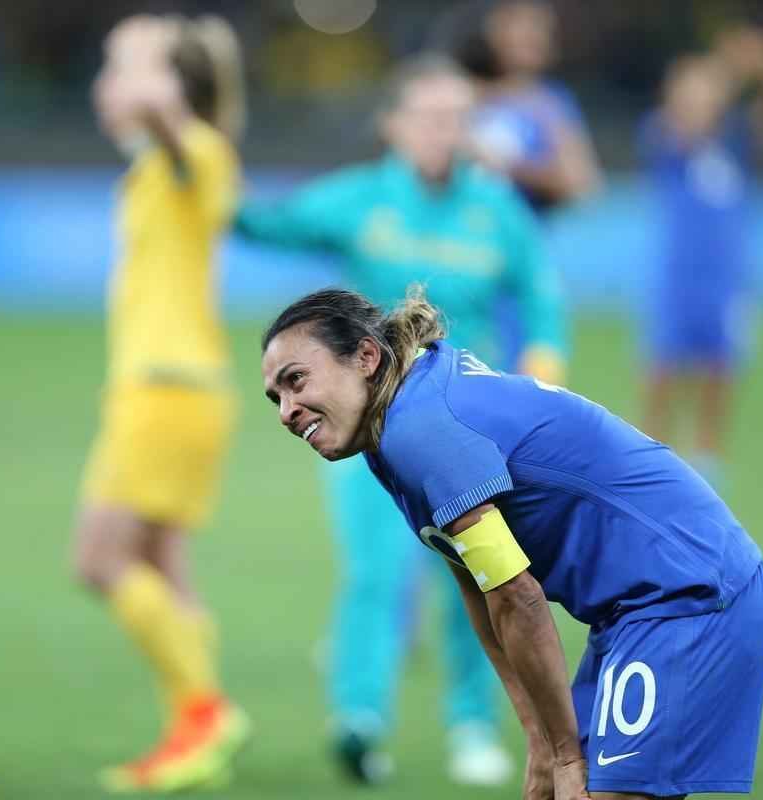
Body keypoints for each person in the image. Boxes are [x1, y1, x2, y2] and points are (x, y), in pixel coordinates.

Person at [260, 287, 763, 799]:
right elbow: (478, 586)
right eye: (276, 397)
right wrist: (540, 737)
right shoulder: (394, 422)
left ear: (366, 357)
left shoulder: (417, 430)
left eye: (296, 380)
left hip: (690, 595)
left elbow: (518, 597)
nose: (286, 410)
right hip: (640, 608)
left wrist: (566, 753)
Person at [235, 54, 566, 786]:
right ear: (393, 124)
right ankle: (360, 718)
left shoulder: (496, 208)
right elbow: (265, 221)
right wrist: (198, 165)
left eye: (457, 117)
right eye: (428, 115)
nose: (443, 131)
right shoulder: (362, 198)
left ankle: (474, 725)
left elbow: (543, 299)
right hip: (372, 436)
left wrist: (544, 365)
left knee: (483, 578)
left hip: (474, 431)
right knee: (376, 572)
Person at [78, 14, 250, 794]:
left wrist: (150, 81)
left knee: (99, 560)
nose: (110, 84)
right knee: (161, 567)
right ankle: (196, 732)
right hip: (167, 391)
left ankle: (205, 712)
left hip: (169, 392)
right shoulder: (152, 166)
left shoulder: (200, 153)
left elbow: (174, 134)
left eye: (126, 69)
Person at [639, 27, 763, 488]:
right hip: (678, 278)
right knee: (664, 371)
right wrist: (730, 66)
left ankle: (709, 461)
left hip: (726, 281)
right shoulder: (663, 134)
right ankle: (651, 456)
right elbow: (687, 120)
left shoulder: (735, 140)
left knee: (719, 371)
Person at [452, 0, 601, 213]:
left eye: (539, 29)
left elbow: (582, 183)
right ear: (493, 30)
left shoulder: (549, 103)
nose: (531, 38)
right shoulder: (459, 92)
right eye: (519, 27)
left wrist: (510, 167)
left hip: (522, 231)